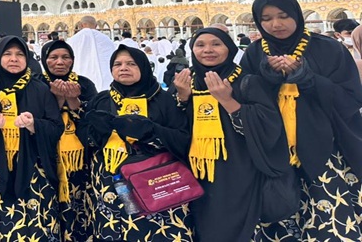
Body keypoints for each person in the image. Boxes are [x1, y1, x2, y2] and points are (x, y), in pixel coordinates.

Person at [241, 0, 362, 240]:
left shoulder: (328, 48)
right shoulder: (255, 53)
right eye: (266, 19)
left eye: (283, 16)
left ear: (297, 15)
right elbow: (244, 96)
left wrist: (307, 79)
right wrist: (266, 78)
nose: (276, 24)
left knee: (331, 216)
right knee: (280, 215)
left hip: (325, 146)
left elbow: (350, 98)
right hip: (274, 148)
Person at [174, 27, 290, 241]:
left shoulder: (247, 81)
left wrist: (228, 101)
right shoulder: (186, 81)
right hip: (197, 172)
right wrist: (182, 97)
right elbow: (177, 127)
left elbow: (269, 126)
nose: (208, 50)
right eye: (200, 45)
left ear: (230, 48)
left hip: (239, 170)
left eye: (216, 44)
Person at [81, 45, 194, 240]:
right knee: (115, 229)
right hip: (111, 180)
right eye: (117, 64)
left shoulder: (163, 99)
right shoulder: (102, 100)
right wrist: (97, 132)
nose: (123, 68)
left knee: (155, 230)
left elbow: (182, 138)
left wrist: (151, 131)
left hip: (155, 178)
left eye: (131, 64)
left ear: (143, 67)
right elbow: (85, 138)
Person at [0, 36, 63, 241]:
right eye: (8, 54)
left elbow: (57, 127)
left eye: (20, 54)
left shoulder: (40, 88)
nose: (14, 59)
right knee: (4, 223)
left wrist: (33, 125)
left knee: (38, 224)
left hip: (34, 169)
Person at [39, 39, 96, 241]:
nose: (60, 62)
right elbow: (36, 118)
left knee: (79, 206)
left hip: (79, 160)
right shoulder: (37, 84)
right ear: (44, 60)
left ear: (72, 60)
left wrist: (73, 100)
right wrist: (56, 100)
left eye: (65, 57)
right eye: (53, 57)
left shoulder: (84, 84)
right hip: (46, 155)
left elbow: (95, 120)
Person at [66, 15, 115, 91]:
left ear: (81, 25)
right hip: (106, 81)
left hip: (81, 80)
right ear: (96, 25)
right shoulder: (106, 39)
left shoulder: (73, 40)